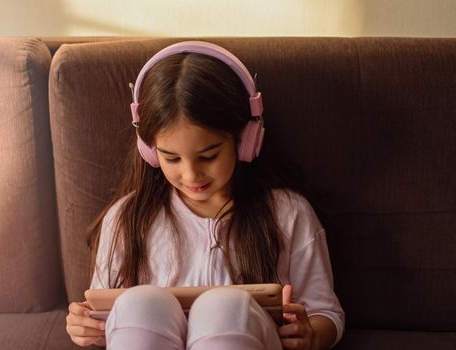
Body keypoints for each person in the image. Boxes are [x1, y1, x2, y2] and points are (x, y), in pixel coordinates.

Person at [66, 41, 344, 350]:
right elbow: (101, 315)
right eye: (172, 159)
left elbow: (326, 313)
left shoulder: (288, 213)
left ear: (245, 140)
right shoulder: (125, 218)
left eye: (208, 156)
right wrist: (84, 326)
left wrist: (311, 334)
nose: (190, 175)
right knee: (141, 305)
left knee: (224, 309)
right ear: (150, 152)